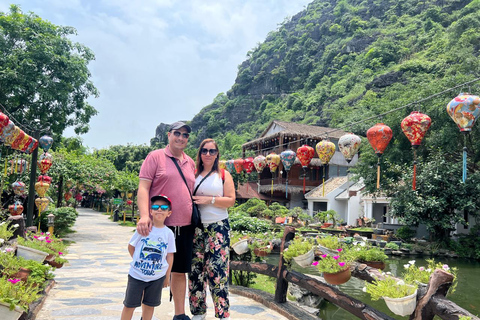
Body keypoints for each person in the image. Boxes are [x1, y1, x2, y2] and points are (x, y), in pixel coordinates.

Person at [137, 121, 196, 320]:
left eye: (185, 135)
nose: (181, 137)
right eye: (177, 133)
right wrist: (145, 215)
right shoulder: (155, 157)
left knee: (179, 271)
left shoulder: (190, 162)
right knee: (151, 270)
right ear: (169, 135)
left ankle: (180, 314)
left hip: (185, 226)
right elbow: (144, 188)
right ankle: (146, 316)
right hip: (160, 226)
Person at [189, 139, 235, 320]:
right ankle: (198, 312)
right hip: (196, 227)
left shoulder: (223, 175)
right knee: (195, 271)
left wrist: (210, 200)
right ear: (200, 153)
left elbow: (231, 200)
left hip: (218, 227)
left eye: (212, 151)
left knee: (218, 271)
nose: (208, 154)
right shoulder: (192, 174)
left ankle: (223, 314)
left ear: (217, 154)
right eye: (204, 151)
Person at [121, 194, 176, 320]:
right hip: (137, 275)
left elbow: (170, 255)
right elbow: (131, 246)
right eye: (156, 206)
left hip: (156, 277)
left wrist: (167, 277)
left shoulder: (168, 234)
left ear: (169, 213)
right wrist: (137, 261)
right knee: (129, 305)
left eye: (164, 207)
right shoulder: (144, 229)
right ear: (150, 211)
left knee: (150, 305)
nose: (159, 210)